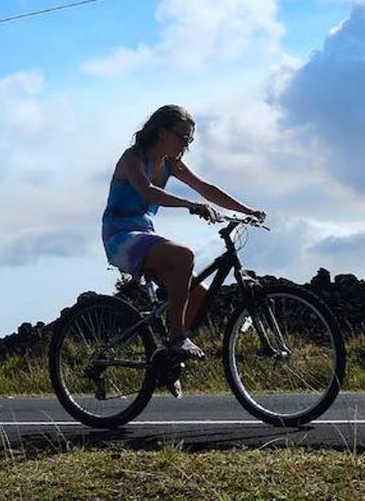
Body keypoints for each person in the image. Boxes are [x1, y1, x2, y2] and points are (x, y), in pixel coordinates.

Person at [101, 105, 265, 365]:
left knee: (200, 295)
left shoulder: (171, 164)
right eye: (182, 137)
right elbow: (149, 192)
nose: (186, 144)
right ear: (162, 132)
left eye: (190, 139)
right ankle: (177, 336)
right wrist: (191, 205)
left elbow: (205, 188)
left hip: (145, 235)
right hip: (120, 236)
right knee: (183, 255)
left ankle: (168, 358)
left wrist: (248, 211)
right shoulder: (131, 158)